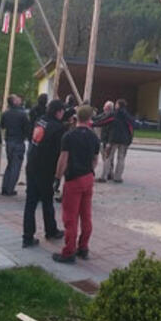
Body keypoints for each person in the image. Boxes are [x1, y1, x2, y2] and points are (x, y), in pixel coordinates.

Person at [52, 104, 100, 263]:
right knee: (86, 215)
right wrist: (88, 170)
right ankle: (83, 247)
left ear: (76, 117)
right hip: (88, 178)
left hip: (73, 179)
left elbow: (63, 159)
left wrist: (57, 178)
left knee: (70, 217)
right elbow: (95, 160)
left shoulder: (69, 136)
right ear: (90, 119)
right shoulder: (94, 137)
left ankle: (69, 251)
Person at [22, 99, 66, 248]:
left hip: (32, 165)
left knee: (30, 202)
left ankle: (27, 236)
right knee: (47, 201)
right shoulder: (58, 128)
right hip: (45, 169)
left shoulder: (40, 120)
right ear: (58, 112)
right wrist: (58, 174)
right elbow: (59, 151)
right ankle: (51, 231)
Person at [93, 99, 134, 183]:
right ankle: (118, 177)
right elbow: (132, 127)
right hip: (125, 140)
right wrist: (129, 140)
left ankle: (104, 176)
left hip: (113, 139)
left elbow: (103, 121)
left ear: (118, 105)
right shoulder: (128, 116)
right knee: (121, 158)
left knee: (108, 157)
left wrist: (93, 124)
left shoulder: (114, 114)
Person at [1, 94, 30, 196]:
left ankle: (5, 187)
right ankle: (10, 189)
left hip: (9, 141)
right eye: (17, 99)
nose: (19, 100)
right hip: (18, 141)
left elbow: (2, 125)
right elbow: (27, 128)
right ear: (14, 101)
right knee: (16, 166)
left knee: (10, 164)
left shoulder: (5, 113)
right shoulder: (22, 114)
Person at [94, 100, 114, 182]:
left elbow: (111, 130)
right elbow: (97, 118)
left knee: (107, 158)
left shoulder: (110, 117)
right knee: (107, 158)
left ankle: (105, 176)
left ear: (108, 108)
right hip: (104, 139)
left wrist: (109, 142)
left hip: (107, 140)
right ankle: (110, 174)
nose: (103, 107)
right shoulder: (105, 114)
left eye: (104, 106)